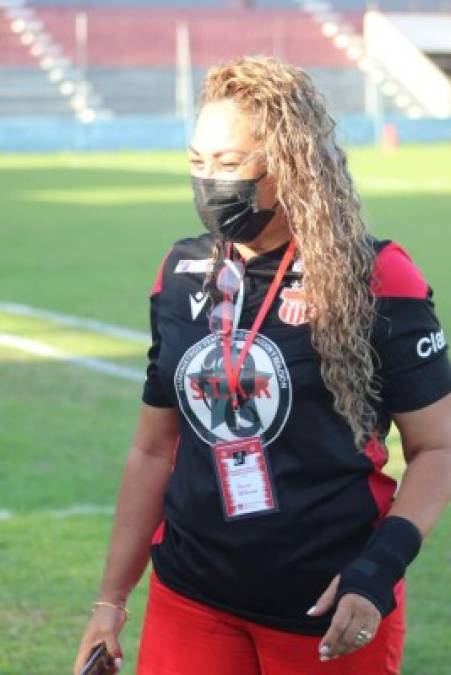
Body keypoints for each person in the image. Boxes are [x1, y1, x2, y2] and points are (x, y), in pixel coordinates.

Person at [73, 55, 451, 675]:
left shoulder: (375, 278)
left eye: (228, 164)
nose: (207, 181)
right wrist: (111, 600)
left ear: (290, 166)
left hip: (327, 607)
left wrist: (378, 570)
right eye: (197, 162)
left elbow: (437, 448)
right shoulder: (179, 273)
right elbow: (151, 450)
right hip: (190, 597)